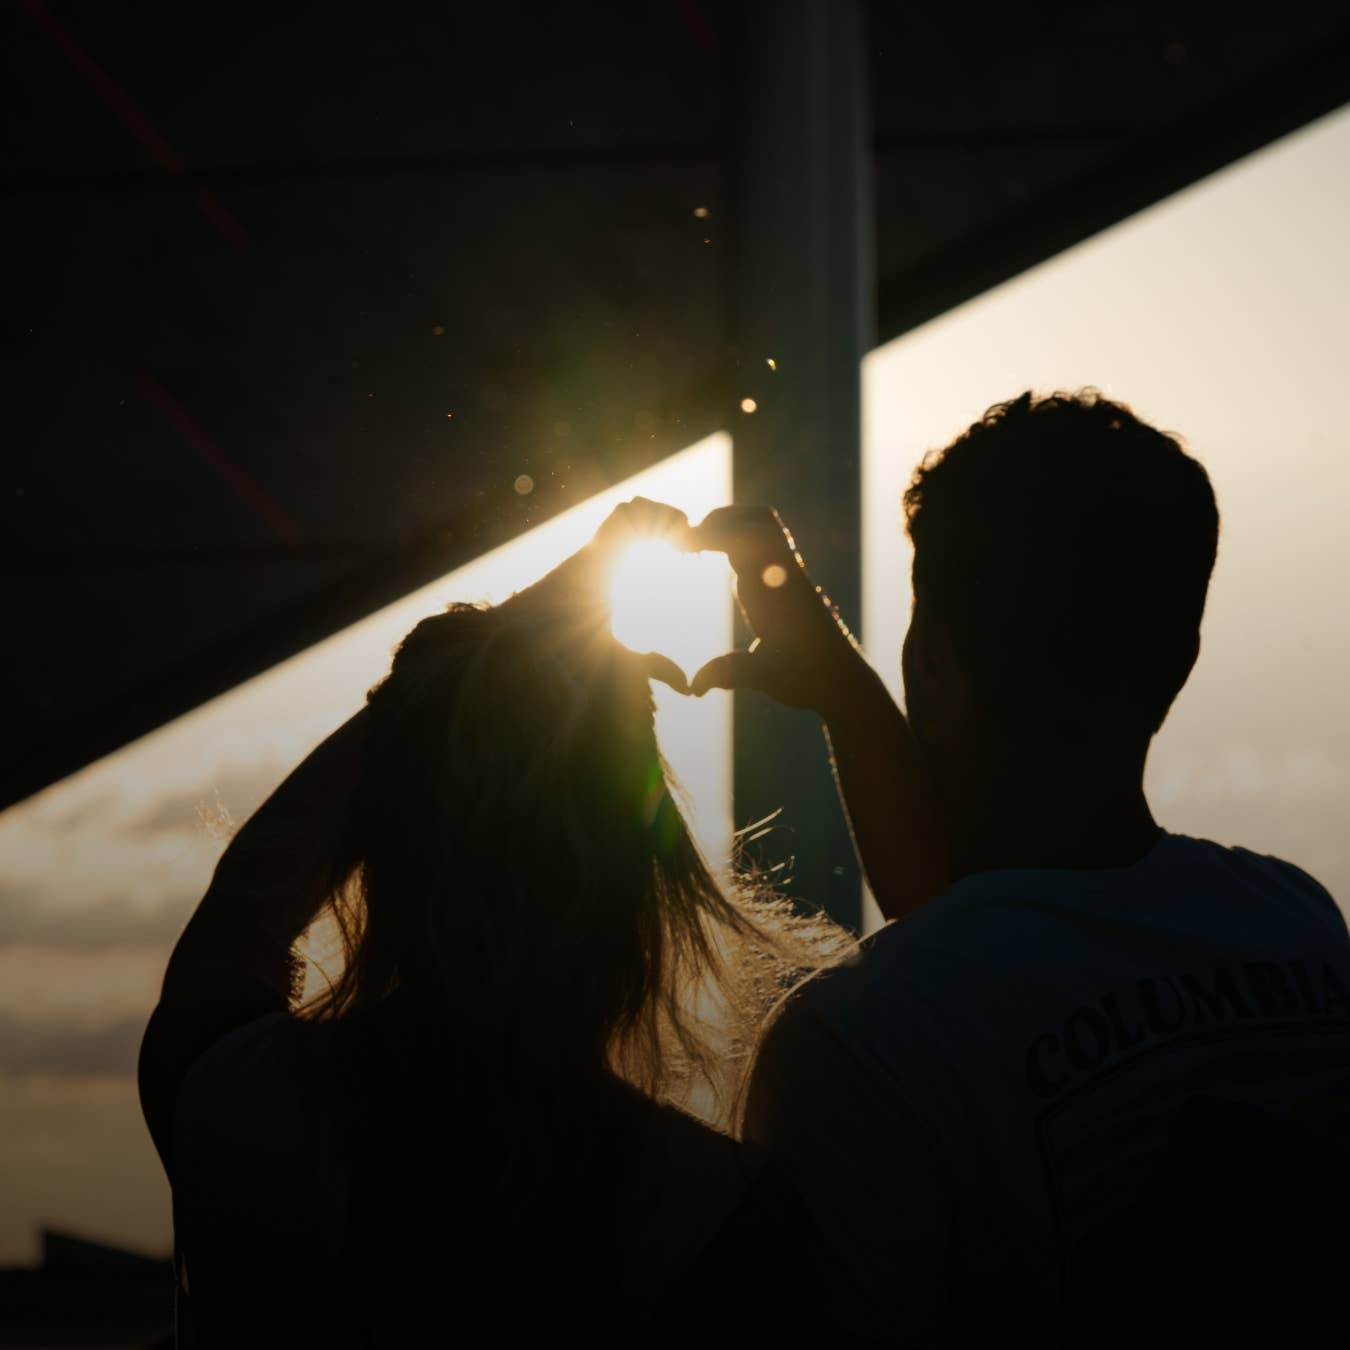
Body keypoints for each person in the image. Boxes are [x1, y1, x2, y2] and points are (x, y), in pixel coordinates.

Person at [686, 390, 1350, 1347]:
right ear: (1182, 657)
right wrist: (847, 692)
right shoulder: (1296, 930)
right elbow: (994, 936)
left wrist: (850, 693)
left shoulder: (858, 1051)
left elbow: (977, 955)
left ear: (935, 655)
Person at [138, 499, 849, 1348]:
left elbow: (255, 889)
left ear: (382, 854)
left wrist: (496, 654)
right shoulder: (709, 1216)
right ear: (640, 889)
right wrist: (850, 694)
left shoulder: (242, 1112)